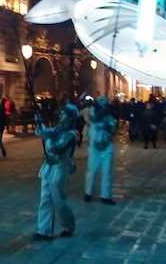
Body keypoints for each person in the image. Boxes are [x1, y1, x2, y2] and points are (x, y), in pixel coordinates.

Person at [34, 103, 79, 240]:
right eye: (61, 113)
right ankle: (44, 231)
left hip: (60, 167)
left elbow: (58, 147)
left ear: (70, 117)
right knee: (45, 198)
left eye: (64, 113)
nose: (61, 115)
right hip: (48, 166)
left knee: (58, 200)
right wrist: (39, 123)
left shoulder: (72, 134)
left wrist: (48, 135)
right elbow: (42, 132)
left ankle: (69, 226)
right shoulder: (58, 129)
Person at [84, 96, 117, 205]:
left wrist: (106, 120)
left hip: (106, 147)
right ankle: (88, 193)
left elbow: (112, 129)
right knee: (91, 170)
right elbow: (91, 118)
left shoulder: (109, 118)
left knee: (107, 171)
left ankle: (105, 196)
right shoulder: (93, 114)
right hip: (94, 147)